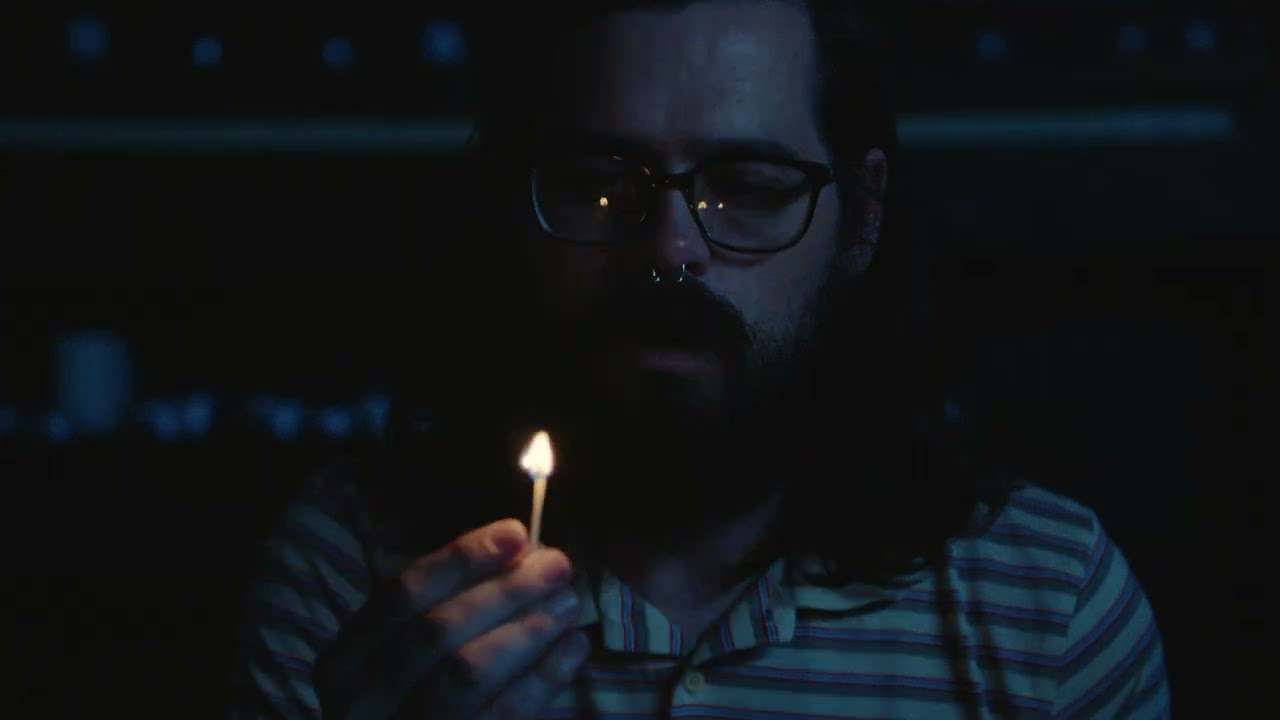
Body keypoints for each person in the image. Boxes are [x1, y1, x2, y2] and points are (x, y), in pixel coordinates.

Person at [228, 1, 1171, 717]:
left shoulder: (1050, 604)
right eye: (601, 186)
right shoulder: (360, 571)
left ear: (861, 218)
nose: (670, 250)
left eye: (748, 186)